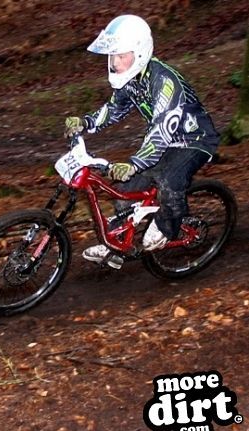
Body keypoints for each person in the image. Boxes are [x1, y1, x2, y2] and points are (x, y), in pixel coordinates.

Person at [64, 14, 219, 269]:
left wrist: (135, 163)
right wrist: (86, 122)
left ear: (139, 52)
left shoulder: (164, 82)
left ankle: (167, 226)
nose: (114, 62)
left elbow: (161, 131)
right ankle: (115, 243)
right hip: (165, 142)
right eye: (112, 56)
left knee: (168, 179)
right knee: (124, 190)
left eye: (120, 56)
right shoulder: (131, 79)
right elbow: (114, 109)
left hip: (194, 140)